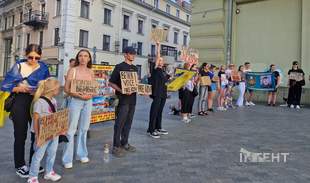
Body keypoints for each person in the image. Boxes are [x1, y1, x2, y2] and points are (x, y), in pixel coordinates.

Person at [0, 44, 50, 178]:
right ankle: (20, 165)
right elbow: (5, 85)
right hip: (20, 101)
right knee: (20, 134)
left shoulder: (43, 67)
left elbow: (48, 84)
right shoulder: (19, 66)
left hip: (37, 101)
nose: (33, 60)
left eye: (37, 57)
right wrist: (21, 89)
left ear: (40, 57)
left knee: (37, 133)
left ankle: (34, 162)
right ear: (25, 55)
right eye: (30, 57)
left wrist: (42, 87)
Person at [62, 49, 96, 168]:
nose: (83, 58)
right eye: (80, 56)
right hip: (76, 101)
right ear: (78, 58)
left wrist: (90, 95)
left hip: (88, 101)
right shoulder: (73, 70)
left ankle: (82, 154)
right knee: (71, 129)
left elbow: (93, 88)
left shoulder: (91, 72)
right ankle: (67, 159)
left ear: (89, 59)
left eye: (85, 56)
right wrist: (77, 95)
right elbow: (66, 89)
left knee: (84, 129)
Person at [27, 78, 62, 183]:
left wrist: (60, 129)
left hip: (53, 133)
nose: (59, 90)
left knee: (52, 153)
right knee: (38, 156)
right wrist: (38, 136)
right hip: (41, 133)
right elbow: (36, 119)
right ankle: (32, 176)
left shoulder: (54, 101)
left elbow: (55, 116)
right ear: (52, 89)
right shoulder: (39, 102)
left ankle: (49, 172)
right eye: (58, 88)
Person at [109, 47, 138, 157]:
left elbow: (135, 84)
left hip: (133, 100)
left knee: (128, 123)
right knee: (119, 123)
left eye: (134, 54)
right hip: (122, 100)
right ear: (125, 55)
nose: (133, 55)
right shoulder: (119, 67)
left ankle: (124, 142)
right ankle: (116, 146)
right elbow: (111, 83)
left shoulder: (135, 68)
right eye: (131, 54)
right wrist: (122, 90)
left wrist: (141, 89)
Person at [147, 42, 169, 139]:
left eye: (162, 60)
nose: (161, 61)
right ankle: (151, 130)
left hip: (163, 93)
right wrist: (158, 46)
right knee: (154, 111)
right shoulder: (155, 69)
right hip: (156, 93)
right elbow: (158, 55)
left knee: (160, 111)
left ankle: (158, 127)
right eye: (159, 60)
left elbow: (164, 81)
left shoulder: (163, 71)